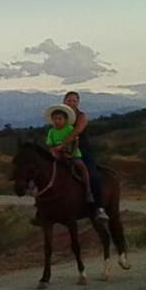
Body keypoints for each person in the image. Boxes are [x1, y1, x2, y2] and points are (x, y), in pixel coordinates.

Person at [61, 90, 109, 221]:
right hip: (63, 151)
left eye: (74, 100)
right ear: (63, 101)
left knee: (93, 175)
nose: (71, 102)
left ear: (78, 103)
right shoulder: (60, 116)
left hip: (82, 151)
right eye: (68, 100)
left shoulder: (81, 117)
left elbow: (77, 131)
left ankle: (99, 208)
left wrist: (63, 144)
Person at [44, 103, 95, 204]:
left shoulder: (69, 129)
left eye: (59, 119)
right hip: (57, 155)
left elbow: (75, 141)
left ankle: (88, 191)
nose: (57, 121)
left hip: (73, 154)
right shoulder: (51, 131)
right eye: (54, 119)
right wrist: (54, 151)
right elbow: (50, 144)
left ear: (65, 120)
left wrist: (71, 153)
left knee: (82, 167)